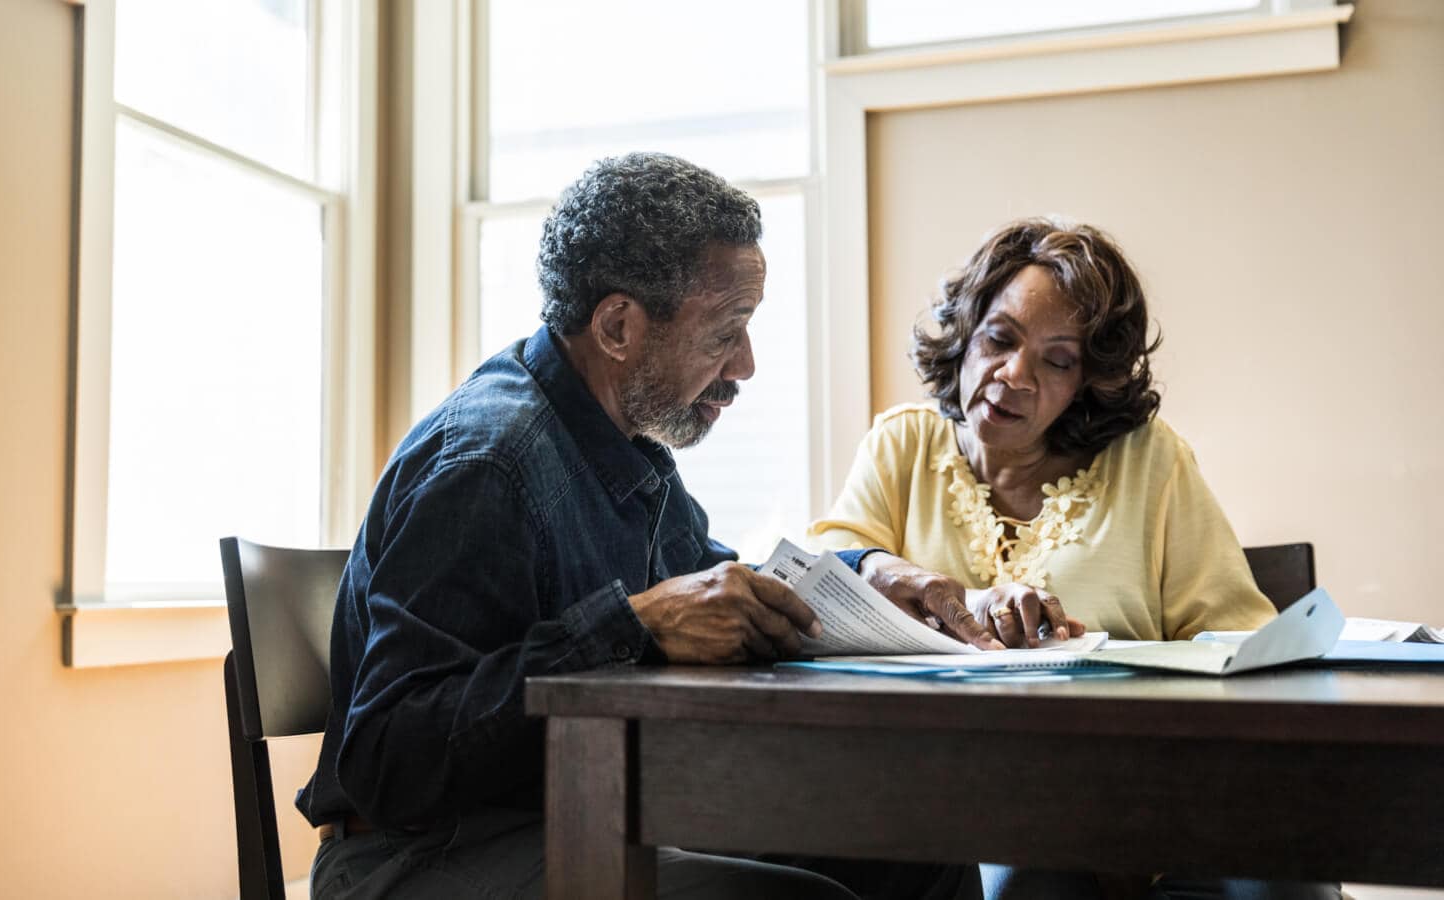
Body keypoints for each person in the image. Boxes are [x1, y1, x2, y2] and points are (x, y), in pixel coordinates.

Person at [298, 153, 977, 900]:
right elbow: (389, 761)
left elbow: (723, 593)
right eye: (727, 332)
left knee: (920, 845)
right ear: (619, 325)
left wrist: (871, 576)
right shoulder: (486, 464)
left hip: (586, 814)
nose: (746, 365)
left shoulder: (625, 445)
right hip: (413, 858)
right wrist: (632, 629)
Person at [809, 217, 1337, 900]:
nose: (1013, 375)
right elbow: (824, 570)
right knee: (1024, 881)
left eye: (1057, 360)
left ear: (1089, 381)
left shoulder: (1150, 460)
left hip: (1149, 792)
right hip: (957, 797)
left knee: (1285, 884)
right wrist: (904, 576)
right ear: (966, 332)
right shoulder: (902, 445)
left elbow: (1239, 641)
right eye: (999, 338)